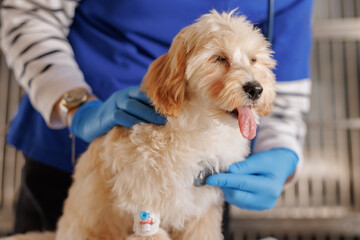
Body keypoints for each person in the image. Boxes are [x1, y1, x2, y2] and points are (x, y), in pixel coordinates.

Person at [0, 0, 313, 237]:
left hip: (210, 174)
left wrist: (282, 154)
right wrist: (75, 103)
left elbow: (277, 90)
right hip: (68, 149)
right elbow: (29, 13)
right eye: (220, 60)